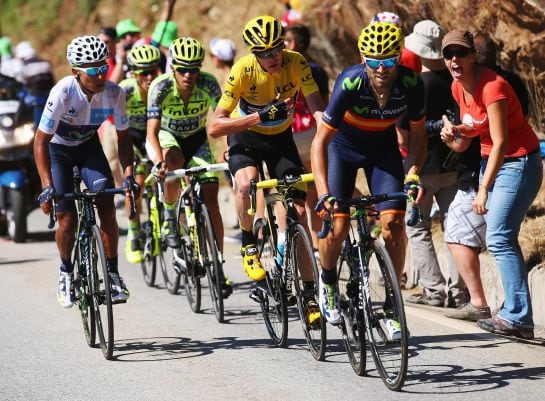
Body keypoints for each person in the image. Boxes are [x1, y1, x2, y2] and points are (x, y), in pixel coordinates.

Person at [311, 21, 427, 339]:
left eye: (388, 60)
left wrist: (413, 173)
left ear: (399, 58)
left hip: (383, 152)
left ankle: (392, 306)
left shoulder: (412, 83)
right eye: (374, 61)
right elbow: (319, 143)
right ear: (363, 58)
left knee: (394, 226)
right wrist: (323, 193)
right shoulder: (350, 83)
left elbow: (418, 137)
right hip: (342, 151)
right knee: (336, 227)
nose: (381, 68)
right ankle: (329, 280)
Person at [208, 15, 325, 324]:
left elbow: (317, 108)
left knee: (297, 209)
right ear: (254, 54)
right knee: (246, 184)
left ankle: (310, 294)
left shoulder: (297, 62)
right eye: (264, 53)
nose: (273, 58)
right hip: (246, 135)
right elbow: (216, 126)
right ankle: (249, 244)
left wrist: (330, 134)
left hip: (281, 140)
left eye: (276, 50)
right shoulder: (242, 70)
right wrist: (257, 117)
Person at [439, 29, 542, 339]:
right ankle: (515, 313)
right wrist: (455, 134)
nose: (454, 60)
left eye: (459, 53)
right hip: (494, 162)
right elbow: (474, 133)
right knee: (499, 237)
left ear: (473, 56)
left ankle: (519, 317)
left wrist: (483, 187)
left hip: (519, 162)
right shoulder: (458, 88)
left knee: (498, 236)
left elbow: (501, 142)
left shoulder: (492, 87)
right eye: (448, 54)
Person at [33, 35, 136, 307]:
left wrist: (128, 177)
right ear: (76, 72)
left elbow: (125, 141)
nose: (102, 74)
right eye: (94, 70)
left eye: (104, 67)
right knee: (66, 219)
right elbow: (40, 141)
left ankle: (112, 273)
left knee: (106, 203)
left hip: (89, 147)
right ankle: (66, 271)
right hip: (58, 151)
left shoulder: (115, 93)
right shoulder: (63, 92)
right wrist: (46, 186)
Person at [146, 36, 232, 298]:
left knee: (211, 197)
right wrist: (157, 161)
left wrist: (230, 148)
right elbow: (151, 133)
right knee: (172, 163)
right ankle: (171, 217)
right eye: (182, 69)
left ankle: (217, 262)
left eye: (193, 69)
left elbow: (223, 119)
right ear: (173, 68)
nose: (188, 75)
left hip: (197, 139)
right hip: (168, 138)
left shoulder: (208, 82)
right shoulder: (160, 87)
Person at [400, 19, 468, 309]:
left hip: (420, 169)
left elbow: (404, 133)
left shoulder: (415, 85)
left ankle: (434, 289)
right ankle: (460, 291)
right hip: (454, 165)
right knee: (457, 229)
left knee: (417, 227)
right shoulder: (459, 83)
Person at [284, 23, 329, 253]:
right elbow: (325, 102)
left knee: (298, 196)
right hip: (313, 133)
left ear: (293, 44)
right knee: (316, 191)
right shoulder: (317, 69)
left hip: (291, 135)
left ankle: (310, 248)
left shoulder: (281, 69)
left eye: (285, 42)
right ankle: (320, 247)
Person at [119, 45, 162, 264]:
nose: (148, 76)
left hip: (157, 135)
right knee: (135, 185)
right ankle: (133, 233)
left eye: (152, 71)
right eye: (142, 72)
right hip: (133, 139)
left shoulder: (162, 87)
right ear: (133, 73)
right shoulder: (125, 90)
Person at [11, 41, 55, 130]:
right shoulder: (45, 62)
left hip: (34, 96)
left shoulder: (23, 64)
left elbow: (20, 79)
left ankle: (19, 122)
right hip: (49, 94)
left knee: (21, 95)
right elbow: (52, 79)